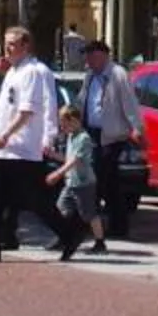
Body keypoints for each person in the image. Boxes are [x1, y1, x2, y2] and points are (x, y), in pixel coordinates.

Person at [0, 27, 78, 262]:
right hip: (5, 151)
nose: (7, 48)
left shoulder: (32, 72)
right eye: (6, 43)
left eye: (12, 44)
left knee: (36, 202)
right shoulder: (13, 72)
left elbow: (27, 111)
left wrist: (6, 135)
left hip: (22, 149)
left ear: (25, 46)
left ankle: (69, 233)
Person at [77, 39, 145, 242]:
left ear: (102, 55)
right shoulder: (90, 77)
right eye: (86, 55)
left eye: (91, 55)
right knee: (109, 182)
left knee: (100, 178)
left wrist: (137, 128)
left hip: (111, 136)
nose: (87, 60)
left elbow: (129, 103)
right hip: (91, 133)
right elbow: (83, 101)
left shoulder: (117, 75)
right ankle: (114, 224)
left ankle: (96, 223)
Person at [47, 102, 107, 257]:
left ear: (74, 120)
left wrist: (58, 174)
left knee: (89, 213)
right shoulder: (71, 137)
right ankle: (63, 237)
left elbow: (76, 161)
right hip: (70, 182)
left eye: (65, 125)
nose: (63, 129)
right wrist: (53, 155)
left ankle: (100, 242)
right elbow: (68, 159)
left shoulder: (84, 138)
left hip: (83, 183)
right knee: (60, 209)